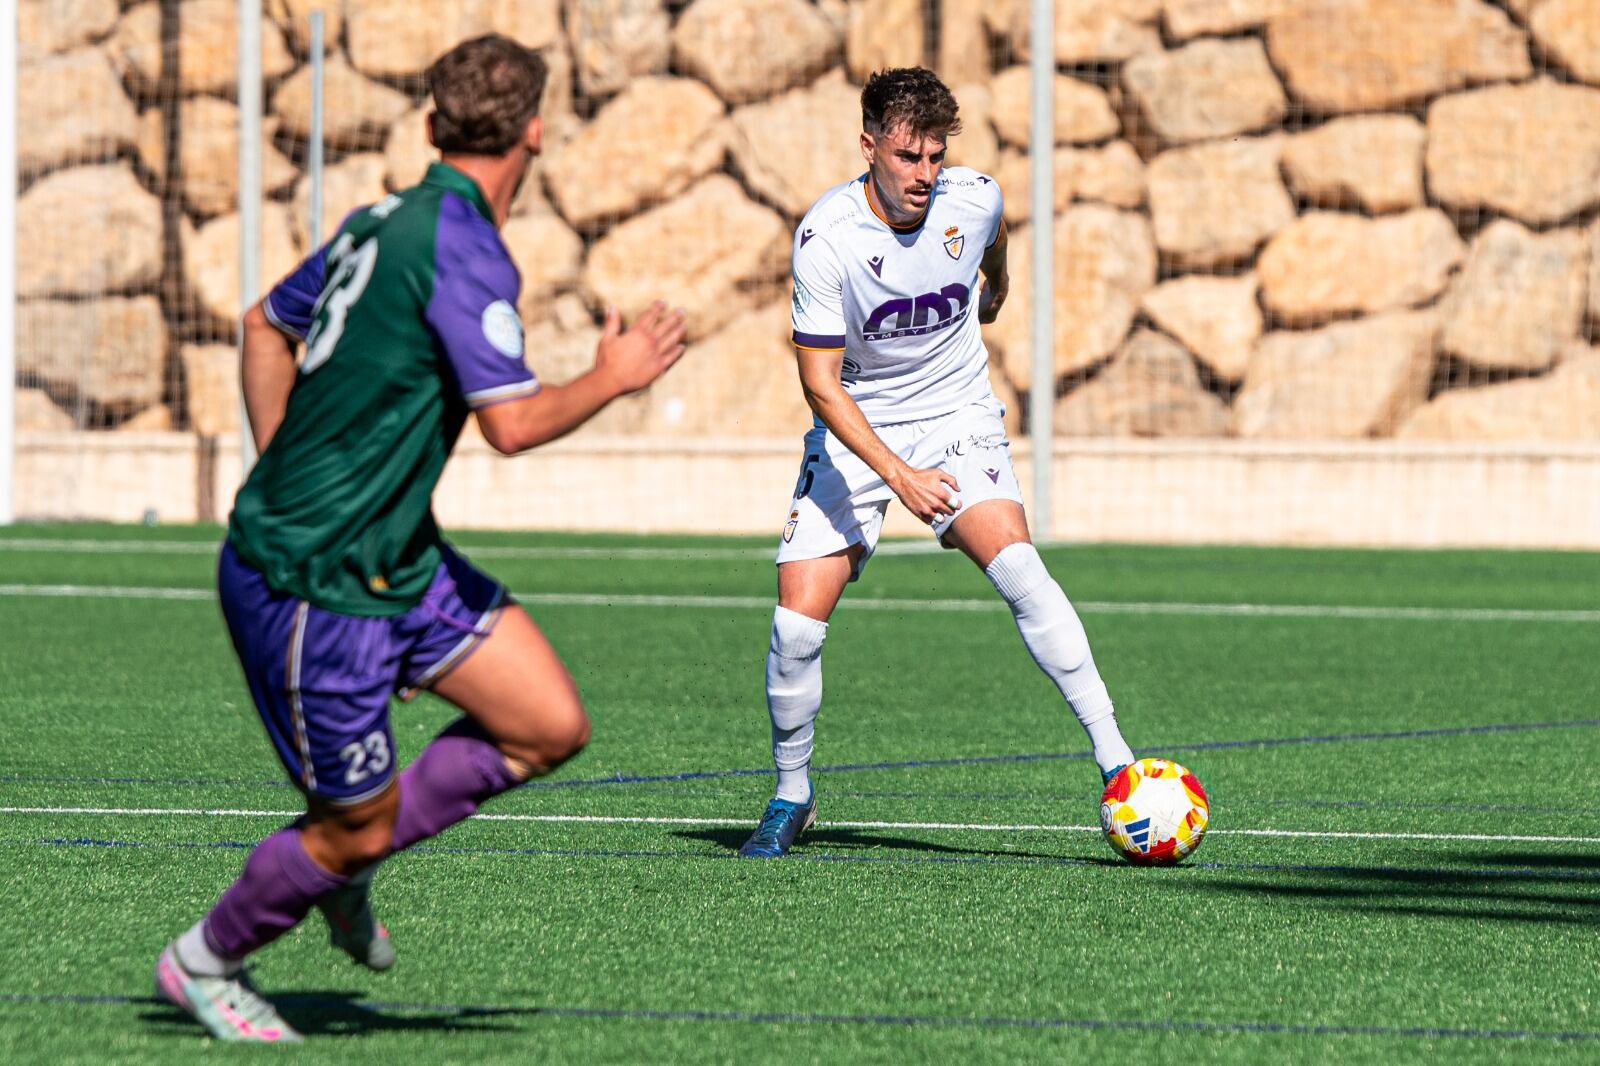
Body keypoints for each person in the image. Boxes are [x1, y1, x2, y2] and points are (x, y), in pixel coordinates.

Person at [154, 34, 687, 1041]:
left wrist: (277, 462)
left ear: (433, 124)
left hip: (396, 555)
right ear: (536, 131)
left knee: (546, 724)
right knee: (351, 830)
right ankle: (206, 958)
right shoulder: (462, 246)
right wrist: (614, 376)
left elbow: (263, 325)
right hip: (314, 579)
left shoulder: (383, 218)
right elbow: (511, 425)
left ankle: (344, 861)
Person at [739, 67, 1135, 858]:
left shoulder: (971, 198)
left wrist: (997, 287)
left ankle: (1119, 765)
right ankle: (791, 794)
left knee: (1020, 569)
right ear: (868, 147)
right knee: (795, 628)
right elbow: (820, 387)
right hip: (858, 425)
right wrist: (900, 476)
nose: (924, 174)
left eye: (935, 156)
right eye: (907, 156)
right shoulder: (827, 240)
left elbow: (996, 235)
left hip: (956, 415)